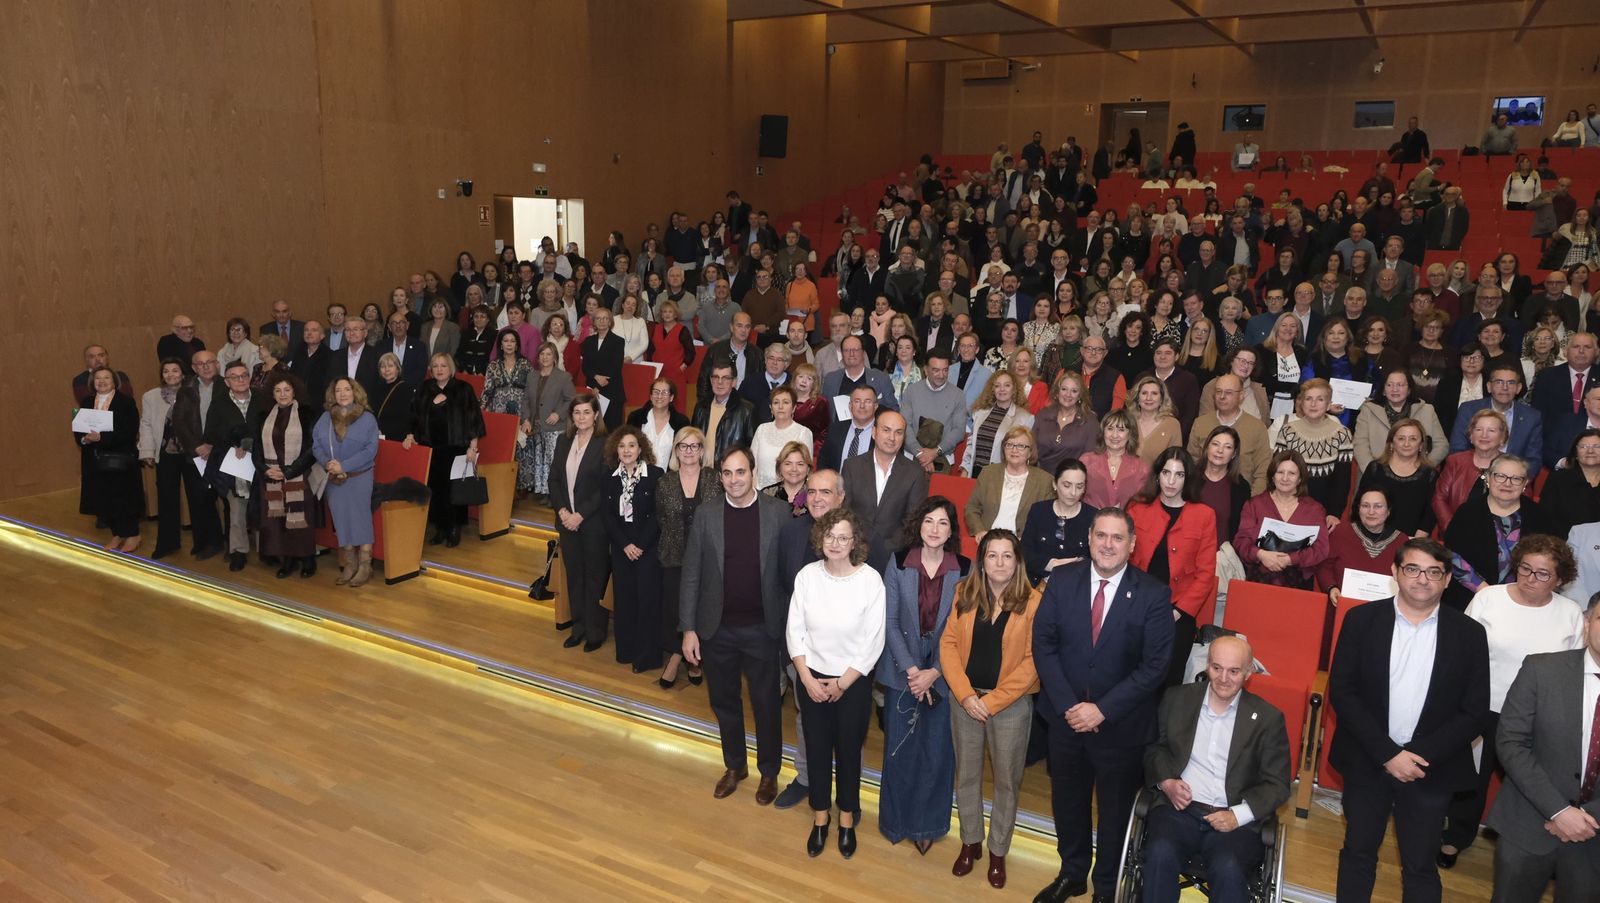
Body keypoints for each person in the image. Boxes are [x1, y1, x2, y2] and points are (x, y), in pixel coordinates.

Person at [1327, 538, 1490, 903]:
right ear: (1395, 572)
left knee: (1420, 867)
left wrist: (1416, 757)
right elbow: (1343, 692)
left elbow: (1475, 711)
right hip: (1368, 761)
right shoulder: (1361, 620)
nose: (1422, 579)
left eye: (1434, 572)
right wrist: (1388, 754)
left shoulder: (1469, 634)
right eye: (1413, 569)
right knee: (1357, 854)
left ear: (1447, 579)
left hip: (1431, 770)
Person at [1031, 508, 1175, 903]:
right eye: (1101, 536)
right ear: (1089, 538)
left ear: (1132, 544)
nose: (1107, 545)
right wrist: (1070, 706)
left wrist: (1102, 709)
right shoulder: (1062, 581)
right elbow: (1043, 644)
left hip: (1120, 728)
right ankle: (1072, 873)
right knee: (1068, 804)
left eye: (1117, 538)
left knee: (1115, 814)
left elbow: (1154, 667)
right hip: (1066, 721)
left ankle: (1107, 888)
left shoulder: (1154, 594)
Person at [1435, 536, 1586, 870]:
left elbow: (1574, 669)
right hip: (1484, 706)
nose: (1530, 578)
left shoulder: (1571, 613)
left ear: (1560, 579)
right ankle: (1455, 837)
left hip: (1540, 716)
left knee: (1532, 783)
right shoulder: (1489, 598)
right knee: (1473, 779)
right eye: (1525, 568)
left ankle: (1534, 847)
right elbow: (1460, 651)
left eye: (1542, 574)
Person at [1140, 636, 1293, 903]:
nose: (1223, 678)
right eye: (1217, 668)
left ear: (1248, 673)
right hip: (1179, 811)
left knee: (1228, 868)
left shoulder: (1268, 719)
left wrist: (1238, 815)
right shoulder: (1177, 699)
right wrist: (1167, 782)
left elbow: (1277, 784)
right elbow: (1155, 749)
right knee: (1159, 853)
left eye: (1233, 671)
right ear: (1207, 665)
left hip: (1234, 822)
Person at [680, 446, 793, 805]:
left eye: (740, 472)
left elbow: (791, 576)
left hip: (763, 628)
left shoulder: (778, 513)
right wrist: (689, 629)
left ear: (754, 473)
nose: (734, 480)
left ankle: (769, 771)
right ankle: (735, 766)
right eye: (727, 473)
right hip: (717, 630)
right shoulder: (707, 514)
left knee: (766, 704)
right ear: (720, 478)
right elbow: (692, 573)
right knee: (723, 701)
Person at [941, 528, 1043, 889]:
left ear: (1018, 562)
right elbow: (948, 644)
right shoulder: (964, 593)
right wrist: (966, 695)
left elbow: (1033, 662)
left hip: (1011, 706)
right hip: (965, 701)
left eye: (1007, 556)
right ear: (982, 561)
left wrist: (991, 701)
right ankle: (970, 841)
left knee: (1006, 781)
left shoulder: (1033, 602)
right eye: (992, 555)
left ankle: (998, 849)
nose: (999, 562)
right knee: (967, 774)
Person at [1485, 592, 1600, 903]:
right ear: (1587, 623)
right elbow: (1511, 742)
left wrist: (1588, 816)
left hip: (1594, 837)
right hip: (1528, 824)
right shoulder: (1541, 669)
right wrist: (1559, 810)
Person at [786, 506, 885, 859]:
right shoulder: (807, 577)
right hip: (811, 678)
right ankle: (820, 818)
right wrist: (806, 678)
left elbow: (874, 639)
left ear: (854, 541)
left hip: (852, 683)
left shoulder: (870, 580)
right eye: (830, 535)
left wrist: (842, 683)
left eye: (844, 537)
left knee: (848, 752)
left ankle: (845, 819)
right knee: (815, 750)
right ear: (820, 538)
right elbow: (794, 631)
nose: (836, 543)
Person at [874, 497, 966, 852]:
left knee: (937, 752)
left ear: (951, 530)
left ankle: (927, 825)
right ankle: (895, 821)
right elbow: (890, 621)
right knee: (899, 750)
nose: (934, 529)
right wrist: (914, 671)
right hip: (903, 671)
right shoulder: (899, 562)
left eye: (942, 523)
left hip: (945, 673)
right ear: (919, 524)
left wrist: (935, 672)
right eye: (929, 521)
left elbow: (962, 629)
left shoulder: (965, 569)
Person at [1128, 448, 1218, 685]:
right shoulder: (1137, 509)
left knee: (1169, 682)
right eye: (1166, 472)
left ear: (1187, 479)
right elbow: (1126, 562)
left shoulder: (1204, 515)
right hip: (1138, 606)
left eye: (1179, 475)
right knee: (1131, 676)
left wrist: (1177, 612)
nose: (1171, 481)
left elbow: (1205, 574)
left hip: (1179, 613)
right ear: (1157, 475)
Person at [1442, 453, 1555, 612]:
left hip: (1525, 600)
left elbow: (1549, 560)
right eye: (1500, 476)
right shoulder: (1467, 512)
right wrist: (1485, 591)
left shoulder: (1539, 516)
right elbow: (1452, 556)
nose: (1507, 483)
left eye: (1516, 478)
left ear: (1525, 484)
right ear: (1488, 478)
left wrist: (1518, 594)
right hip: (1471, 599)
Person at [655, 426, 718, 690]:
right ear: (676, 450)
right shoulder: (664, 482)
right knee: (674, 608)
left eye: (694, 446)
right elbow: (661, 519)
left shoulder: (715, 479)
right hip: (674, 556)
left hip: (707, 558)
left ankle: (695, 658)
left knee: (701, 608)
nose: (689, 451)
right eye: (683, 445)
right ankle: (676, 655)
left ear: (702, 451)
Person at [402, 354, 484, 548]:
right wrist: (410, 435)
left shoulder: (463, 389)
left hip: (456, 448)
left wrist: (472, 447)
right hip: (430, 448)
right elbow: (413, 415)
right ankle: (440, 527)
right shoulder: (424, 388)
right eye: (435, 366)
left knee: (454, 490)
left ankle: (454, 528)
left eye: (443, 366)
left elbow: (474, 419)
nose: (439, 369)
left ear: (451, 368)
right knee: (436, 489)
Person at [549, 394, 610, 652]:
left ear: (596, 415)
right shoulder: (563, 441)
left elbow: (605, 487)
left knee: (594, 576)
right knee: (574, 576)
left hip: (593, 523)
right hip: (567, 521)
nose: (581, 417)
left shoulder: (606, 443)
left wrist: (580, 515)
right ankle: (579, 627)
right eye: (577, 413)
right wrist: (563, 511)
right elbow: (554, 480)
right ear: (571, 416)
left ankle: (595, 631)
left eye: (586, 412)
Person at [602, 425, 664, 673]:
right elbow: (607, 516)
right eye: (622, 446)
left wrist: (639, 545)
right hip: (621, 548)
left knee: (647, 603)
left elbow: (658, 514)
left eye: (631, 445)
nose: (626, 450)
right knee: (625, 601)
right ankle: (626, 651)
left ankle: (647, 657)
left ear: (640, 449)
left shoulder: (655, 474)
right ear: (615, 450)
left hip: (647, 548)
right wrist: (625, 544)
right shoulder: (609, 477)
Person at [842, 409, 930, 572]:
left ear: (904, 438)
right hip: (852, 552)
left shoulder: (915, 473)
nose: (892, 438)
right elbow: (844, 511)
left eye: (898, 432)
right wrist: (855, 545)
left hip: (893, 557)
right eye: (886, 430)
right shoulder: (852, 466)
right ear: (874, 432)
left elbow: (913, 521)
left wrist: (884, 549)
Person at [312, 377, 379, 587]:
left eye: (347, 389)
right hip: (334, 479)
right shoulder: (325, 417)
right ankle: (350, 564)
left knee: (361, 519)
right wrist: (327, 463)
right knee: (341, 519)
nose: (342, 394)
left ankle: (365, 566)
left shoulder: (367, 418)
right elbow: (316, 445)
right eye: (338, 390)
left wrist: (345, 466)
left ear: (355, 392)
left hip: (359, 477)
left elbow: (370, 450)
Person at [252, 374, 320, 578]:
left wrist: (290, 471)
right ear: (272, 394)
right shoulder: (263, 416)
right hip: (271, 478)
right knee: (278, 522)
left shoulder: (307, 415)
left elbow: (313, 448)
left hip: (299, 476)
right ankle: (288, 561)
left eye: (287, 390)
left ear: (294, 391)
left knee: (301, 521)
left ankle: (308, 560)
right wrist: (265, 469)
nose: (283, 394)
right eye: (278, 390)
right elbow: (256, 450)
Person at [1235, 450, 1331, 589]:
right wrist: (1261, 555)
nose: (1285, 478)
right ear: (1272, 476)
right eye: (1280, 472)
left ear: (1300, 478)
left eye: (1292, 473)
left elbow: (1321, 549)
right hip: (1259, 580)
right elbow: (1241, 542)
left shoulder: (1315, 510)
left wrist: (1290, 559)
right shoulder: (1254, 505)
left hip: (1299, 585)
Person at [77, 365, 143, 552]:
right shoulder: (87, 402)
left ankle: (133, 534)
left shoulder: (126, 402)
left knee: (123, 498)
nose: (102, 381)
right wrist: (84, 438)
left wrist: (102, 438)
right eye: (98, 378)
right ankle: (117, 534)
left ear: (114, 382)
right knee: (104, 498)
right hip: (94, 459)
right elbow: (79, 428)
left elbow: (129, 431)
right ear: (93, 382)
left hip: (119, 458)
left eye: (106, 378)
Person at [1269, 379, 1355, 524]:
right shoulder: (1287, 431)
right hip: (1287, 509)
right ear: (1301, 403)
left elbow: (1342, 481)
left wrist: (1334, 513)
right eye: (1308, 399)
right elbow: (1276, 473)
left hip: (1325, 513)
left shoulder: (1342, 434)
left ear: (1328, 404)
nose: (1313, 404)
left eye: (1320, 399)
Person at [137, 359, 190, 559]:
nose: (170, 374)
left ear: (183, 374)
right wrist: (147, 451)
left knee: (198, 497)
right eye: (166, 371)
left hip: (191, 453)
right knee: (167, 499)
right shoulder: (151, 396)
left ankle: (205, 543)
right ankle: (167, 543)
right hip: (166, 453)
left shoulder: (193, 392)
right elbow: (146, 424)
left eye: (175, 370)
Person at [964, 426, 1053, 542]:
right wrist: (979, 530)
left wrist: (1029, 539)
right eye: (1009, 445)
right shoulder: (988, 473)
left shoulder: (1045, 481)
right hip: (988, 540)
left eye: (1021, 446)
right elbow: (972, 508)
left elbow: (1047, 519)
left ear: (1030, 452)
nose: (1014, 450)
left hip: (1023, 544)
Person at [1355, 418, 1440, 538]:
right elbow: (1359, 504)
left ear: (1421, 445)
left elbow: (1429, 515)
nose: (1406, 444)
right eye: (1401, 438)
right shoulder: (1375, 468)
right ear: (1391, 443)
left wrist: (1415, 542)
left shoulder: (1430, 475)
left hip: (1411, 540)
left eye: (1413, 439)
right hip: (1372, 537)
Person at [1354, 370, 1449, 471]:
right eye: (1389, 385)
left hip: (1418, 473)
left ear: (1409, 390)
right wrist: (1373, 472)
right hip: (1376, 472)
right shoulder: (1368, 410)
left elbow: (1442, 445)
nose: (1395, 389)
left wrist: (1422, 468)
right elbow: (1360, 445)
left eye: (1400, 385)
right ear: (1383, 390)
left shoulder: (1427, 410)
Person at [1432, 408, 1507, 535]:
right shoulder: (1455, 461)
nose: (1484, 435)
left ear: (1502, 437)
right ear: (1471, 436)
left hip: (1499, 537)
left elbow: (1520, 504)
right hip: (1456, 533)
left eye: (1491, 430)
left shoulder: (1513, 466)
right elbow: (1439, 499)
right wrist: (1454, 529)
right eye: (1478, 429)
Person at [961, 371, 1035, 477]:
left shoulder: (1025, 418)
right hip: (975, 473)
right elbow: (971, 445)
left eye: (1007, 385)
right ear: (992, 389)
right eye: (997, 385)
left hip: (1002, 476)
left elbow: (1023, 454)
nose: (1002, 389)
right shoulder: (979, 413)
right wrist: (965, 470)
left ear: (1014, 389)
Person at [1082, 409, 1149, 510]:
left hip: (1125, 519)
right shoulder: (1086, 461)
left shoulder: (1141, 468)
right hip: (1090, 518)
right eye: (1110, 428)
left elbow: (1141, 507)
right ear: (1103, 432)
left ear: (1130, 434)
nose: (1114, 435)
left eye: (1121, 430)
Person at [692, 362, 757, 462]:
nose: (720, 382)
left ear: (734, 382)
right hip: (702, 468)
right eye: (716, 377)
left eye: (725, 378)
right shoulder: (701, 407)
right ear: (711, 380)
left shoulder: (747, 410)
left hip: (730, 469)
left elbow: (752, 448)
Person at [751, 386, 814, 489]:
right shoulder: (762, 429)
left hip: (790, 493)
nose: (780, 406)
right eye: (776, 402)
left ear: (794, 408)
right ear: (771, 408)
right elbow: (752, 465)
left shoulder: (803, 432)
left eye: (785, 402)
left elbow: (806, 470)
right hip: (760, 491)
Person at [1542, 428, 1600, 536]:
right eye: (1583, 447)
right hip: (1564, 542)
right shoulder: (1558, 479)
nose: (1590, 451)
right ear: (1576, 453)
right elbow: (1545, 518)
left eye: (1597, 446)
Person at [581, 308, 626, 430]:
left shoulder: (618, 341)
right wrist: (595, 378)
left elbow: (616, 367)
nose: (602, 321)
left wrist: (598, 387)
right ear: (594, 322)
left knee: (611, 430)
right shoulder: (588, 341)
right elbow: (585, 366)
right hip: (592, 388)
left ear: (610, 321)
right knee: (592, 428)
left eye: (605, 318)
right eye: (598, 318)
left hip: (612, 390)